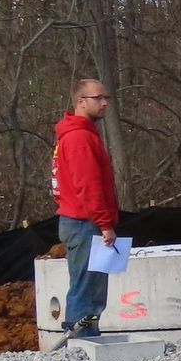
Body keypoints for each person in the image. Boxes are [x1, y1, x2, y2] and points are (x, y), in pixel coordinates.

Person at [53, 77, 119, 337]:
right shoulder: (80, 138)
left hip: (79, 222)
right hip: (85, 224)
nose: (105, 103)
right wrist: (104, 224)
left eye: (107, 98)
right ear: (81, 102)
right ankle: (82, 345)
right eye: (98, 98)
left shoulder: (76, 135)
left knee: (88, 288)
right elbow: (88, 186)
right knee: (87, 290)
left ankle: (84, 342)